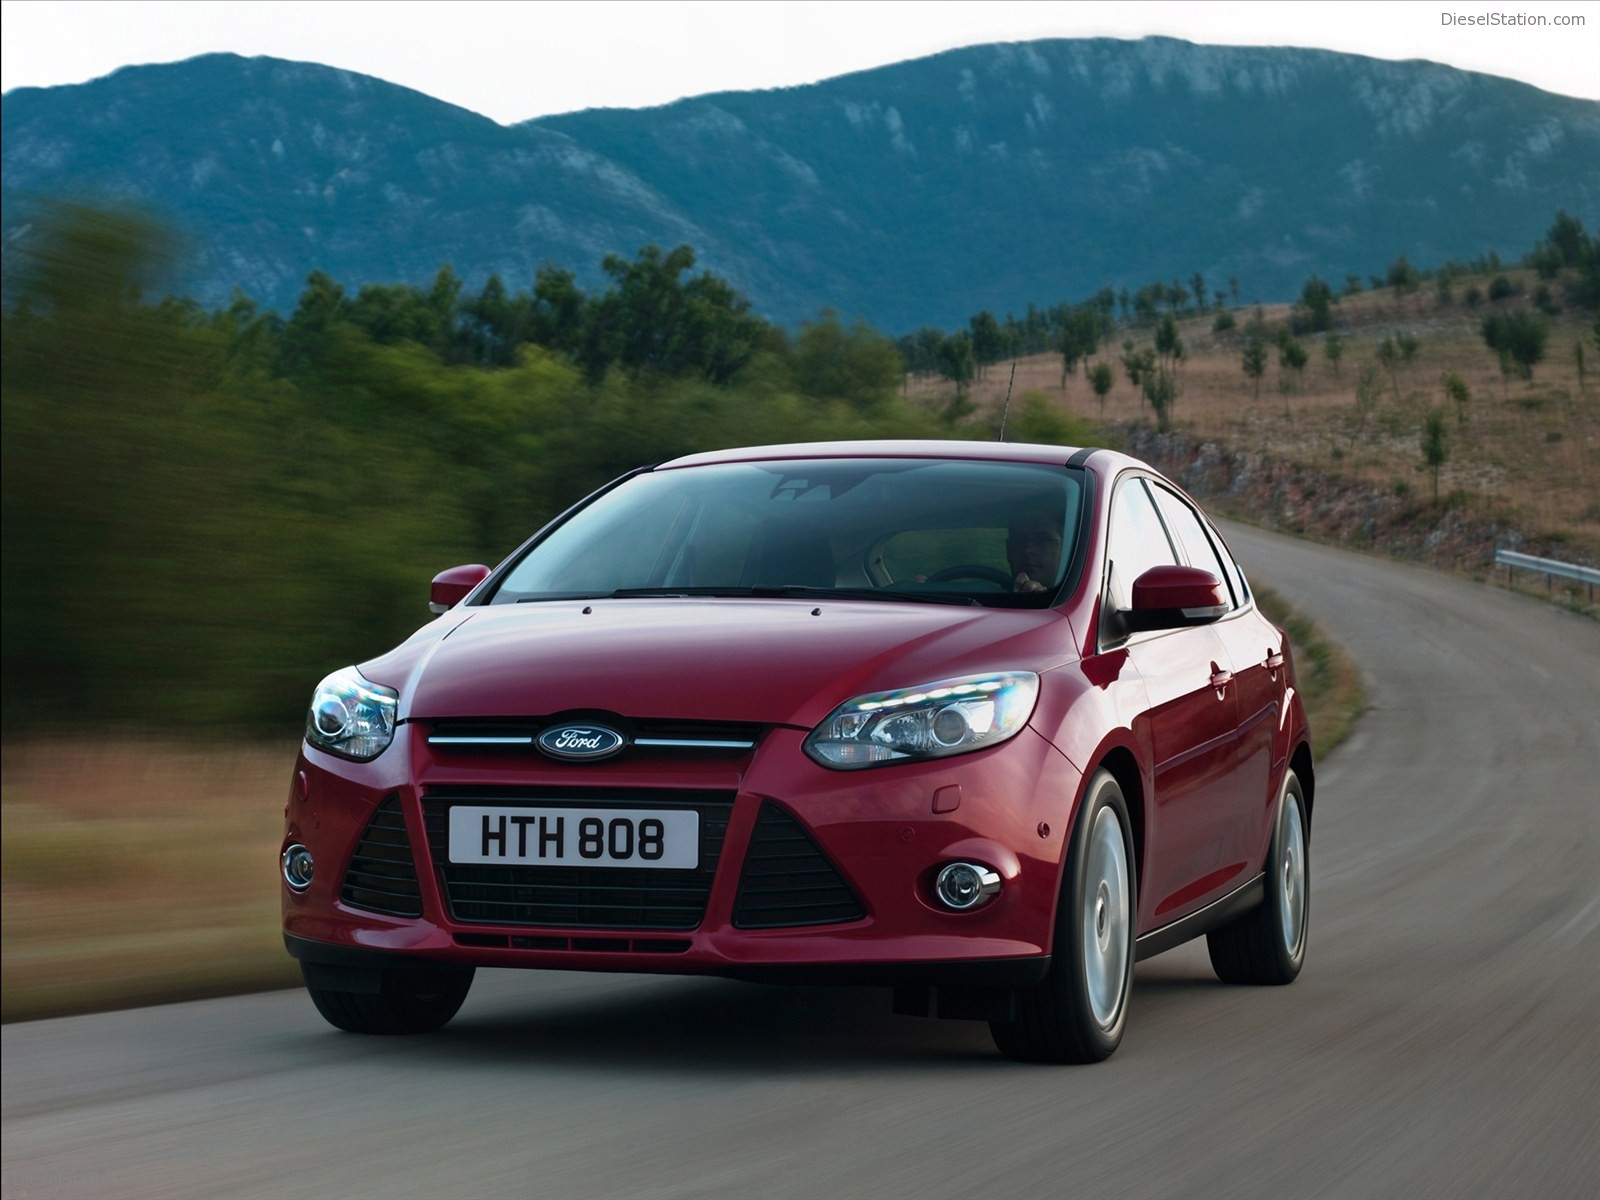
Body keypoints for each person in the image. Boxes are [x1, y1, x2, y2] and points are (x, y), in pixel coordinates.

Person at [1007, 503, 1064, 593]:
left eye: (1042, 540)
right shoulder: (985, 600)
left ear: (1064, 548)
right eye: (1019, 541)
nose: (1028, 550)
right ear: (1008, 550)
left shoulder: (1081, 598)